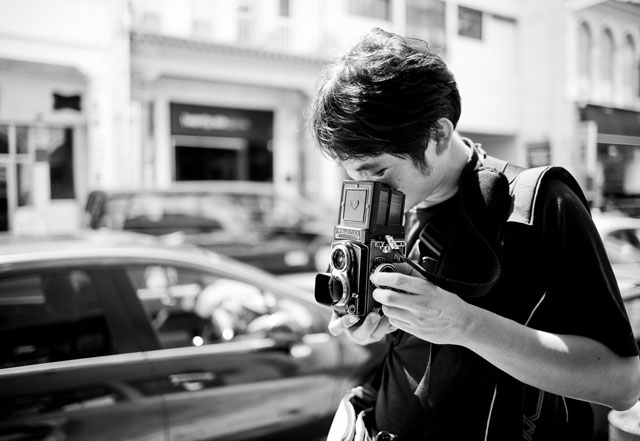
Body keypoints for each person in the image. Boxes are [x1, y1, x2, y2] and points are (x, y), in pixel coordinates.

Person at [308, 27, 640, 440]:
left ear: (438, 134)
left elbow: (622, 383)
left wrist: (464, 324)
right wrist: (373, 324)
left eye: (378, 172)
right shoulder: (392, 213)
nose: (367, 191)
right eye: (351, 175)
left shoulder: (538, 204)